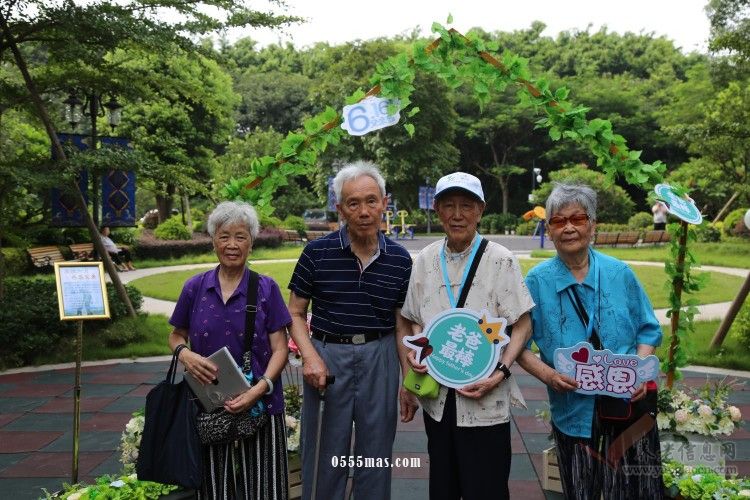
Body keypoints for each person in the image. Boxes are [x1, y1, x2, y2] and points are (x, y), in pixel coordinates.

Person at [517, 183, 663, 500]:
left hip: (627, 402)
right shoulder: (536, 282)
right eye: (558, 221)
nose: (568, 227)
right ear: (549, 230)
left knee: (637, 488)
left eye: (578, 219)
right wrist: (549, 376)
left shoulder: (619, 273)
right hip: (573, 408)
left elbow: (648, 330)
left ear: (592, 225)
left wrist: (638, 370)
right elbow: (519, 348)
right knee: (582, 488)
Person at [401, 172, 534, 500]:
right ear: (437, 210)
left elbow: (523, 324)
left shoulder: (501, 260)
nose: (457, 214)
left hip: (485, 396)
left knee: (486, 487)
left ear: (481, 210)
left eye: (466, 206)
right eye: (448, 206)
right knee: (443, 487)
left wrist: (500, 372)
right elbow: (411, 320)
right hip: (439, 399)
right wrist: (415, 355)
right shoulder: (425, 260)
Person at [287, 161, 414, 500]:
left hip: (381, 354)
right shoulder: (316, 253)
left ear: (384, 203)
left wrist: (408, 382)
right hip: (328, 357)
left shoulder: (401, 261)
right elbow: (295, 314)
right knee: (324, 449)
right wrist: (310, 358)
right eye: (353, 203)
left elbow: (402, 323)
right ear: (340, 208)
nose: (363, 211)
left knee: (375, 452)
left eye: (371, 201)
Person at [168, 201, 291, 499]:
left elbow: (280, 348)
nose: (232, 245)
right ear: (213, 241)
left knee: (265, 488)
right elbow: (176, 336)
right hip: (209, 404)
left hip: (261, 402)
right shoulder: (195, 288)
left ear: (251, 242)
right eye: (224, 236)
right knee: (213, 489)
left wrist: (258, 390)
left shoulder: (266, 288)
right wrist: (185, 354)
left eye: (241, 236)